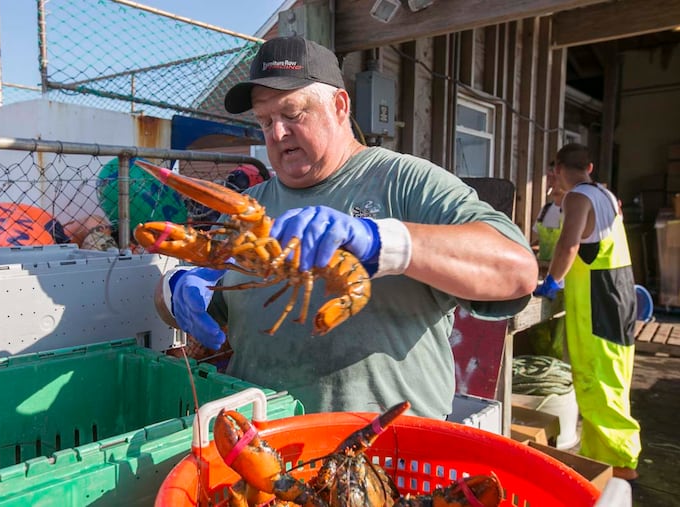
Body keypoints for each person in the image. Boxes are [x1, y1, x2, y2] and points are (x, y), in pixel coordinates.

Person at [156, 35, 538, 419]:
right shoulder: (246, 207)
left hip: (386, 448)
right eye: (265, 120)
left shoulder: (406, 180)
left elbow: (516, 271)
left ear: (339, 106)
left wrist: (385, 241)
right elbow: (198, 302)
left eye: (292, 114)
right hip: (261, 443)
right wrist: (175, 291)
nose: (277, 133)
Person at [534, 143, 641, 481]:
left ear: (557, 169)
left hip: (599, 305)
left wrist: (552, 281)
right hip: (617, 295)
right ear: (590, 167)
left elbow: (569, 245)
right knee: (611, 379)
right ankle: (603, 460)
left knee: (598, 383)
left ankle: (621, 467)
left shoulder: (579, 198)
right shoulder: (606, 196)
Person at [533, 161, 565, 265]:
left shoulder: (571, 212)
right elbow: (540, 242)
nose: (550, 182)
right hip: (544, 271)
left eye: (555, 177)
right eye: (548, 177)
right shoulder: (545, 209)